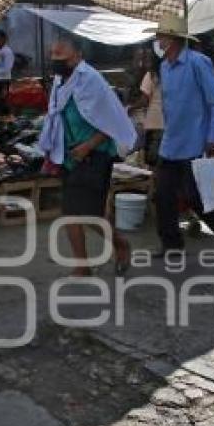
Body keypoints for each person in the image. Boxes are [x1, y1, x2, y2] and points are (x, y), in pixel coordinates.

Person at [37, 35, 137, 277]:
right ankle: (82, 264)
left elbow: (112, 120)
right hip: (70, 155)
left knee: (91, 214)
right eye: (53, 56)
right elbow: (55, 118)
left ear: (77, 56)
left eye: (61, 56)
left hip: (96, 154)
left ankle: (120, 243)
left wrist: (88, 146)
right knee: (70, 211)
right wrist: (51, 150)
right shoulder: (60, 83)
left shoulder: (91, 79)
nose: (55, 61)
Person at [143, 13, 214, 255]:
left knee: (195, 195)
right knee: (163, 194)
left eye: (161, 35)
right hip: (171, 139)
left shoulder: (198, 62)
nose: (158, 40)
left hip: (196, 140)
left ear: (172, 39)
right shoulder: (165, 66)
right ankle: (171, 243)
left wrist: (213, 138)